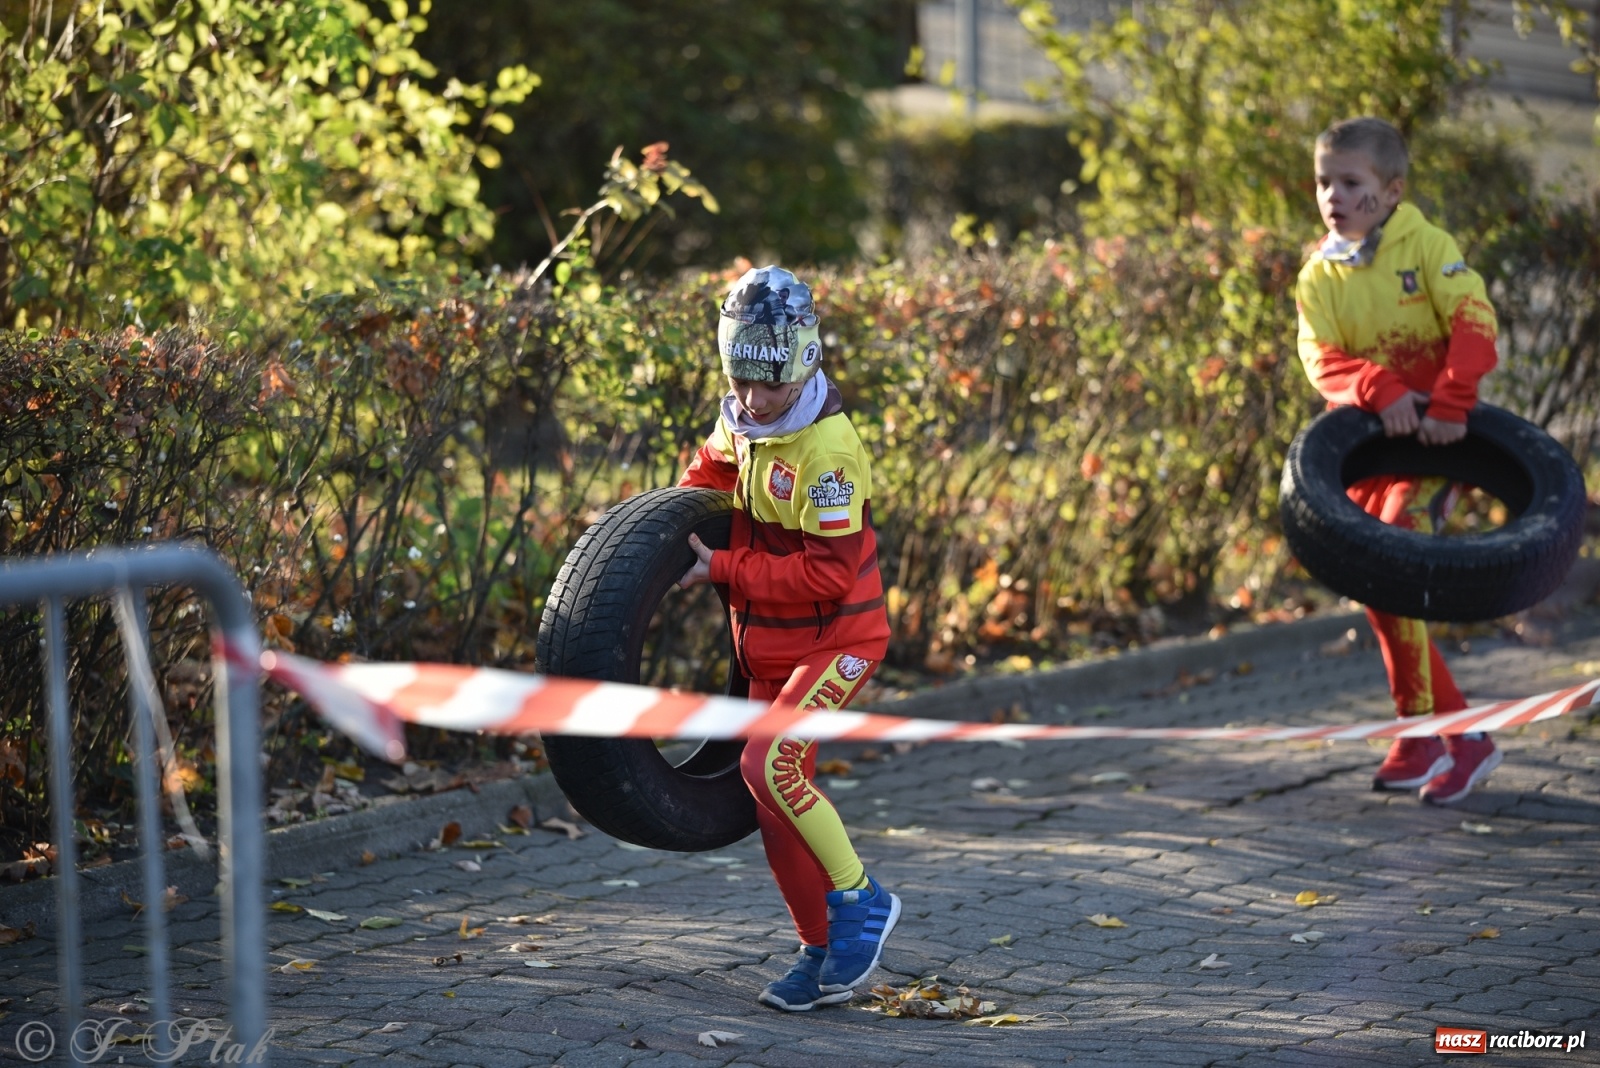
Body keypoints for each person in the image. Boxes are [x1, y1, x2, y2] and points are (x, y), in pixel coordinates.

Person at [677, 264, 900, 1011]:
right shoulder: (741, 422)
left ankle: (862, 900)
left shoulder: (826, 450)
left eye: (767, 384)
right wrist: (652, 542)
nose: (751, 398)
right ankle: (818, 948)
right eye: (739, 378)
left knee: (770, 759)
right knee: (773, 804)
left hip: (841, 637)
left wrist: (724, 569)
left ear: (803, 361)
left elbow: (829, 576)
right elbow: (708, 474)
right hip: (771, 642)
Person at [1295, 116, 1502, 805]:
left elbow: (1475, 320)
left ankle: (1465, 739)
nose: (1333, 196)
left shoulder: (1426, 245)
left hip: (1434, 443)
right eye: (1324, 182)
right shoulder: (1319, 274)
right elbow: (1320, 356)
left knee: (1396, 559)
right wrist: (1377, 389)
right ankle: (1417, 739)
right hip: (1363, 452)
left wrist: (1450, 400)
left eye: (1350, 182)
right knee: (1380, 594)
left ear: (1389, 192)